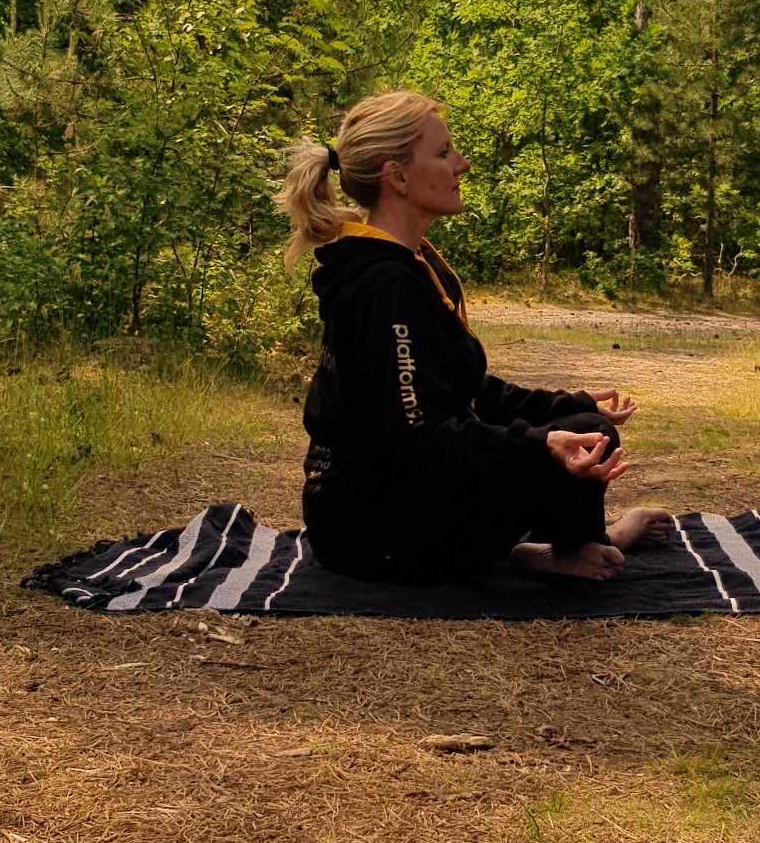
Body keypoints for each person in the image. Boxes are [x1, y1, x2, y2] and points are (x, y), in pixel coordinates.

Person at [277, 90, 671, 584]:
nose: (461, 163)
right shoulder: (385, 284)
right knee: (581, 442)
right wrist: (539, 446)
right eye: (443, 153)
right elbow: (422, 437)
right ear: (396, 175)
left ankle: (546, 547)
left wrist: (564, 403)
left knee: (586, 424)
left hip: (396, 497)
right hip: (370, 529)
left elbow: (465, 390)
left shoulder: (408, 263)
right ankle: (581, 543)